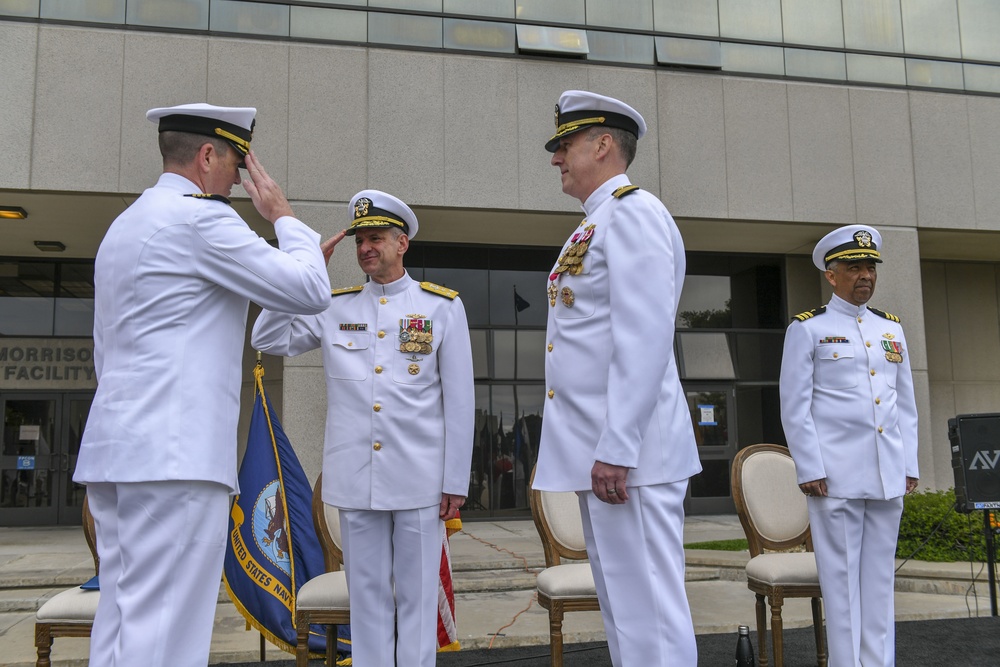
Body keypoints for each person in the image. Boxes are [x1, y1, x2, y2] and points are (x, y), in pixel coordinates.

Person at [73, 103, 333, 667]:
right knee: (166, 631)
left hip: (118, 451)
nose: (242, 183)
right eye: (238, 165)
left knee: (123, 618)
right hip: (175, 458)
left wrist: (292, 261)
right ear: (207, 155)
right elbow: (312, 289)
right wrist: (285, 219)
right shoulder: (201, 220)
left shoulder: (127, 224)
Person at [251, 189, 475, 667]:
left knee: (415, 602)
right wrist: (304, 269)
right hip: (355, 480)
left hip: (419, 482)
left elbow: (459, 403)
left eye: (375, 238)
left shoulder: (441, 308)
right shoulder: (334, 307)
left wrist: (455, 482)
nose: (365, 248)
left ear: (402, 243)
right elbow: (266, 336)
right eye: (359, 241)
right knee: (367, 602)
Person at [531, 90, 702, 666]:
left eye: (565, 145)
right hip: (607, 457)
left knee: (650, 610)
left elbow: (644, 337)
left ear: (603, 145)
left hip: (632, 458)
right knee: (626, 614)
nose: (555, 158)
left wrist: (617, 446)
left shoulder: (634, 214)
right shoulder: (594, 225)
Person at [779, 224, 919, 667]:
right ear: (830, 274)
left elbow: (906, 405)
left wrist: (908, 463)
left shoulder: (890, 330)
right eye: (854, 267)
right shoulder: (809, 329)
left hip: (886, 474)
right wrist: (810, 467)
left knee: (878, 583)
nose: (865, 276)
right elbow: (794, 407)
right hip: (834, 477)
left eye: (870, 268)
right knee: (841, 587)